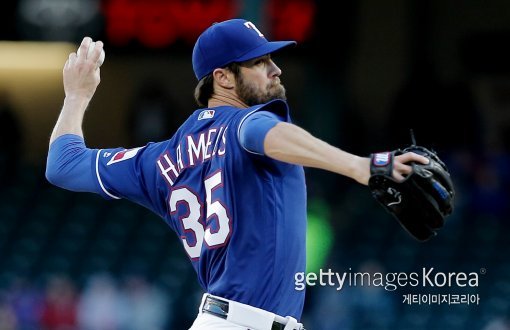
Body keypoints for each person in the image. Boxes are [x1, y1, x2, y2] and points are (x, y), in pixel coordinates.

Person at [45, 18, 428, 330]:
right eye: (259, 62)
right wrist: (362, 166)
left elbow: (63, 165)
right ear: (223, 78)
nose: (276, 69)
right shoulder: (246, 124)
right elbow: (264, 135)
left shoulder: (157, 159)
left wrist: (77, 97)